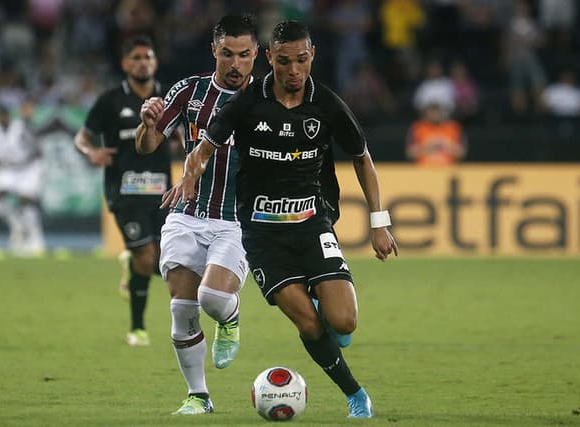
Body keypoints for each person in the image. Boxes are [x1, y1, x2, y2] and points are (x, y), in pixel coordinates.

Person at [161, 20, 398, 419]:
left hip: (312, 225)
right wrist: (190, 174)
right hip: (263, 236)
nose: (293, 70)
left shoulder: (325, 103)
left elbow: (361, 156)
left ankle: (330, 315)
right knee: (308, 323)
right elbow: (204, 146)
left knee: (344, 323)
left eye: (301, 61)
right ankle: (355, 394)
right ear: (269, 58)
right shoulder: (248, 103)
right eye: (284, 61)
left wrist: (379, 221)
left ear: (312, 57)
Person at [135, 14, 258, 415]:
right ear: (214, 51)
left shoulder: (269, 99)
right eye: (227, 54)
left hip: (236, 221)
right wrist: (147, 123)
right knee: (182, 307)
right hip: (187, 214)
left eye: (244, 55)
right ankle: (198, 396)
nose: (235, 63)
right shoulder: (190, 91)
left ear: (257, 54)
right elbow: (147, 145)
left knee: (213, 298)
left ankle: (231, 317)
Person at [74, 36, 171, 347]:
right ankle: (138, 328)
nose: (142, 62)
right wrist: (91, 153)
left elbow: (185, 132)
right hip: (124, 193)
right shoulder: (110, 101)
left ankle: (132, 267)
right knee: (145, 256)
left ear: (155, 62)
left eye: (148, 56)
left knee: (165, 261)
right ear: (125, 64)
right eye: (136, 57)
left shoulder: (168, 99)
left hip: (163, 194)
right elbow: (82, 138)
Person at [0, 99, 46, 256]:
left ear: (9, 115)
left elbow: (37, 146)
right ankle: (17, 226)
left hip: (30, 167)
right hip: (12, 169)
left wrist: (28, 118)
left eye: (4, 115)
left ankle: (37, 240)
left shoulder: (21, 126)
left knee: (26, 200)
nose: (2, 118)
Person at [406, 101, 467, 166]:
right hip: (423, 170)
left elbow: (461, 153)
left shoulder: (453, 127)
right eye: (432, 112)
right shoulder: (418, 127)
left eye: (437, 112)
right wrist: (429, 146)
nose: (435, 115)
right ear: (426, 113)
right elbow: (410, 153)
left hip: (448, 169)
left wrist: (444, 145)